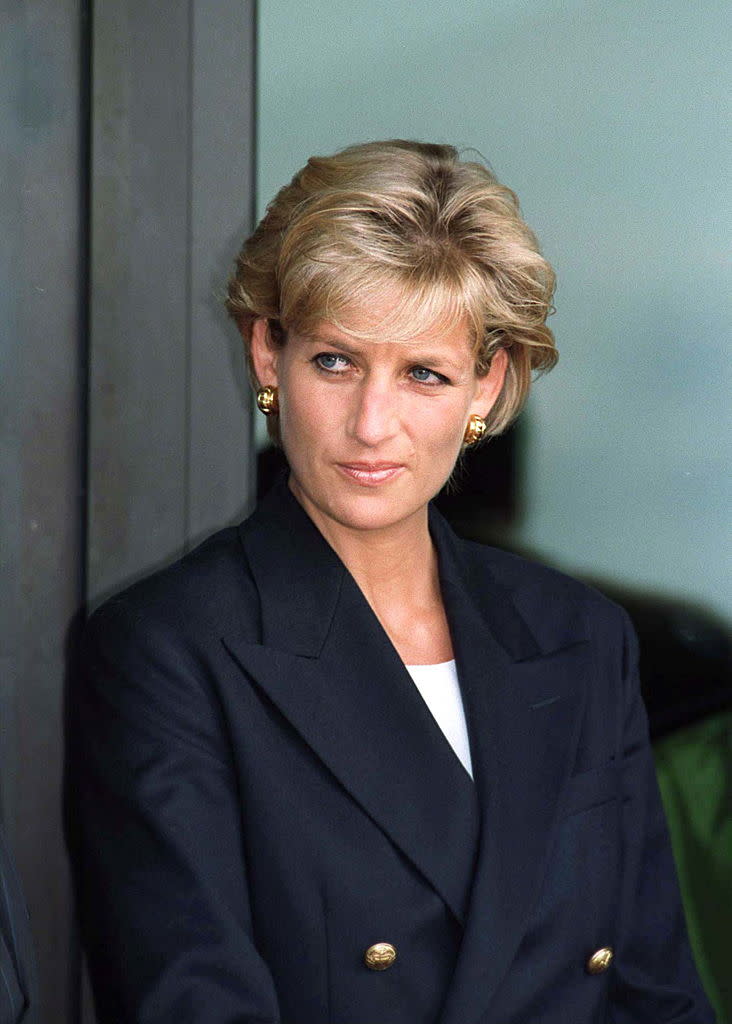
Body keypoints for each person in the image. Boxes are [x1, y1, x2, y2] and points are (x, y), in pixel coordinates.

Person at [67, 140, 714, 1023]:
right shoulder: (166, 651)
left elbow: (653, 991)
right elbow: (193, 1000)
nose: (372, 425)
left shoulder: (580, 634)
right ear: (268, 357)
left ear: (487, 386)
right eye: (335, 361)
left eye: (423, 374)